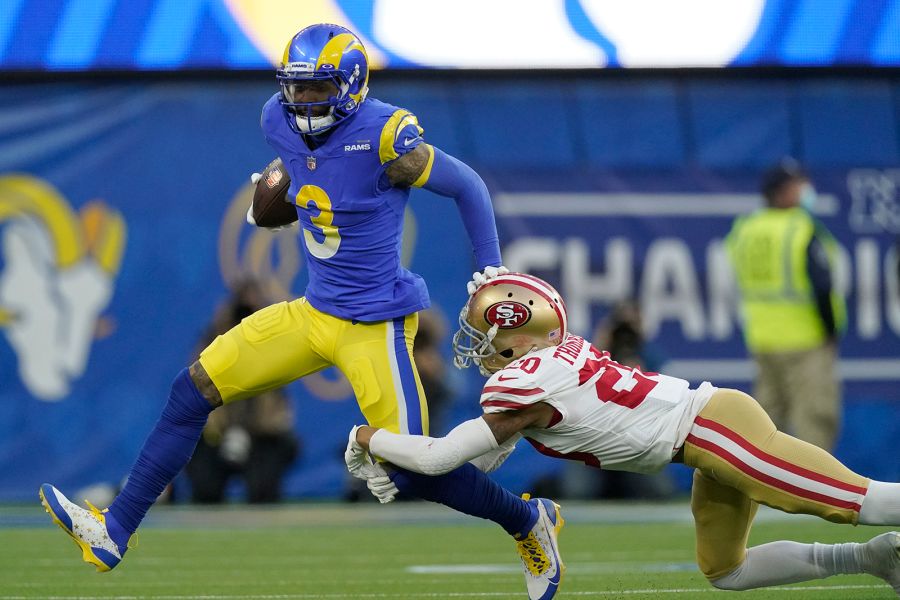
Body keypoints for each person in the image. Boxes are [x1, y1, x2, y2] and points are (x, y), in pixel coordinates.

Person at [38, 23, 562, 599]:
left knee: (413, 469)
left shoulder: (386, 136)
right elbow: (303, 183)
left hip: (374, 325)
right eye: (297, 88)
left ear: (352, 85)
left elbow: (468, 187)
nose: (304, 102)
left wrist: (490, 268)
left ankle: (526, 520)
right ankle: (115, 531)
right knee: (192, 392)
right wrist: (278, 197)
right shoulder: (276, 118)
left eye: (318, 89)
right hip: (313, 313)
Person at [346, 272, 900, 596]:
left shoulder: (526, 383)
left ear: (517, 334)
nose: (477, 346)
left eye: (483, 333)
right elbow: (472, 463)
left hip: (716, 429)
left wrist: (372, 438)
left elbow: (444, 456)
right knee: (727, 572)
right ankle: (875, 559)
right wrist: (405, 466)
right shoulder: (545, 372)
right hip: (703, 446)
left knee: (859, 501)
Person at [726, 159, 846, 451]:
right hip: (805, 340)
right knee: (814, 422)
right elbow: (821, 286)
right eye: (798, 185)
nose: (806, 189)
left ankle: (759, 488)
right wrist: (830, 330)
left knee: (765, 424)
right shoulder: (800, 229)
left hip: (763, 340)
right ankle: (813, 490)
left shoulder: (747, 229)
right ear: (781, 192)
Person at [185, 279, 300, 504]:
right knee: (205, 491)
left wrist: (252, 431)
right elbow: (197, 392)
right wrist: (221, 429)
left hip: (260, 437)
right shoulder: (212, 343)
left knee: (264, 491)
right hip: (217, 436)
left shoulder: (273, 346)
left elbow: (278, 411)